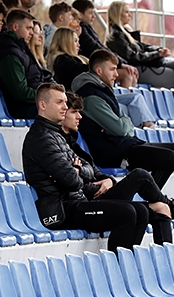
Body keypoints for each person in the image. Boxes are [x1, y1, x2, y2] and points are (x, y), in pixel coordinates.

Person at [72, 50, 174, 220]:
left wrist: (123, 122)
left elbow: (123, 125)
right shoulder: (91, 96)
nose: (117, 74)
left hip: (124, 144)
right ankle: (157, 202)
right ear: (99, 71)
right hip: (113, 152)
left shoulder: (101, 90)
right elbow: (120, 128)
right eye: (112, 69)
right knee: (169, 158)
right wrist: (123, 123)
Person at [22, 84, 151, 252]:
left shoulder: (57, 135)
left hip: (78, 201)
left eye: (66, 102)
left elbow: (82, 171)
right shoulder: (40, 137)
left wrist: (77, 170)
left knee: (141, 211)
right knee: (127, 212)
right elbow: (71, 181)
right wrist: (75, 172)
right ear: (43, 105)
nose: (65, 107)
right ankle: (115, 268)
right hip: (62, 209)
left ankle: (128, 264)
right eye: (60, 102)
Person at [59, 91, 174, 244]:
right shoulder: (57, 143)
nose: (79, 117)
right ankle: (172, 205)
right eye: (74, 112)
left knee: (161, 208)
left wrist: (108, 181)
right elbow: (73, 179)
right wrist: (87, 177)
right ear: (61, 114)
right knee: (140, 177)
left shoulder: (74, 142)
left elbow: (92, 170)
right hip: (90, 199)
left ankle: (163, 261)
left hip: (99, 193)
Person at [51, 32, 154, 127]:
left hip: (99, 95)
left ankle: (148, 128)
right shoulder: (62, 61)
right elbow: (86, 70)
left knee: (135, 98)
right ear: (66, 42)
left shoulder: (80, 58)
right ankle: (145, 129)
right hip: (86, 99)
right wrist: (102, 66)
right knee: (127, 108)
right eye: (75, 41)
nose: (79, 44)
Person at [106, 1, 174, 90]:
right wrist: (157, 55)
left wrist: (159, 50)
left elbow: (144, 46)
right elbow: (132, 57)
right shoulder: (116, 35)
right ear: (118, 14)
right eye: (126, 12)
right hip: (139, 68)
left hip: (146, 65)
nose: (130, 15)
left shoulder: (126, 31)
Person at [0, 9, 53, 119]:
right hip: (22, 109)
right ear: (15, 27)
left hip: (34, 104)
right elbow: (21, 92)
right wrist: (48, 97)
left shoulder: (20, 50)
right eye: (28, 28)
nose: (32, 33)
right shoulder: (9, 54)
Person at [72, 0, 138, 88]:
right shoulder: (81, 30)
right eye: (90, 13)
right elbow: (95, 48)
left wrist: (121, 63)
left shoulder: (87, 28)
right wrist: (120, 63)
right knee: (127, 74)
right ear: (80, 14)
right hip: (94, 67)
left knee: (131, 74)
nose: (93, 16)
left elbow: (100, 47)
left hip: (99, 65)